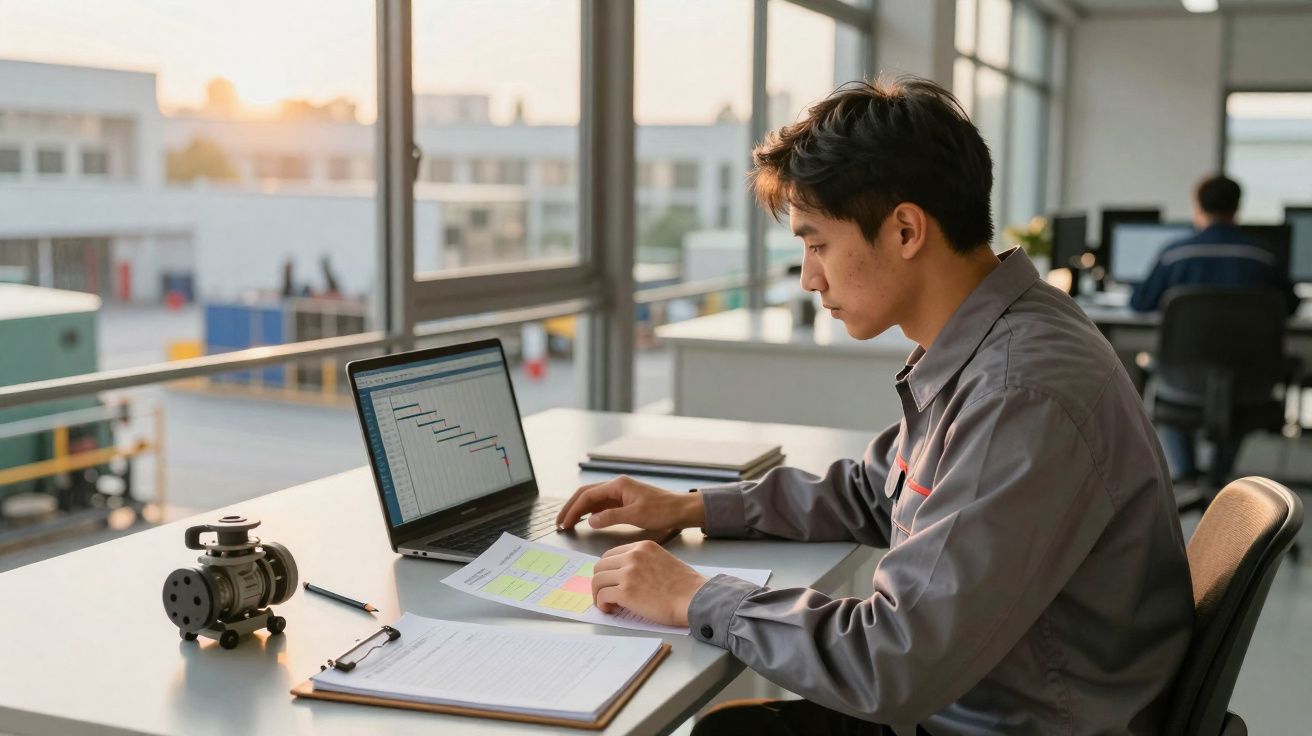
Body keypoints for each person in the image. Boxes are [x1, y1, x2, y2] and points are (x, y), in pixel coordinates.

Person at [556, 77, 1194, 735]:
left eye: (817, 244)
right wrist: (693, 507)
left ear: (906, 230)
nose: (810, 277)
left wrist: (695, 595)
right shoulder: (1000, 337)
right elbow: (873, 491)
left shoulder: (1018, 392)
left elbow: (892, 663)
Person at [1130, 174, 1298, 485]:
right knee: (1235, 384)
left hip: (1182, 383)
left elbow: (1139, 303)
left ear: (1197, 206)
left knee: (1173, 380)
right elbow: (1289, 306)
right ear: (1237, 207)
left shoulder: (1175, 254)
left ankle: (1187, 475)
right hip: (1251, 384)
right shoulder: (1264, 256)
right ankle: (1218, 479)